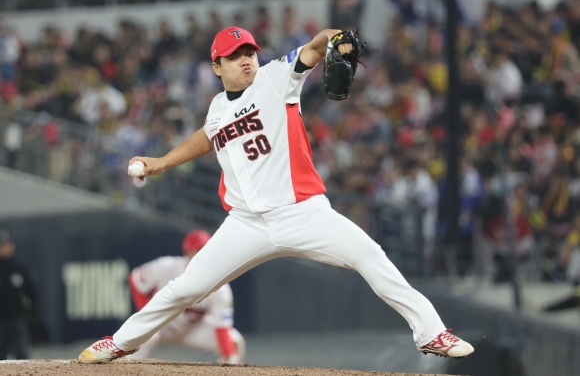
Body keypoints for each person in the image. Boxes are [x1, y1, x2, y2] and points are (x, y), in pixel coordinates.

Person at [79, 25, 474, 364]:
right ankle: (121, 343)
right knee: (184, 288)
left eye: (249, 51)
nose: (246, 60)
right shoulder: (217, 107)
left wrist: (336, 36)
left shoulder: (275, 78)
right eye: (235, 56)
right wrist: (163, 162)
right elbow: (209, 136)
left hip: (302, 212)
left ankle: (431, 333)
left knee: (371, 257)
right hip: (245, 224)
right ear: (216, 67)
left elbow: (316, 47)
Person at [125, 229, 245, 364]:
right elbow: (135, 278)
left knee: (235, 341)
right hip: (162, 324)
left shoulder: (220, 287)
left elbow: (222, 327)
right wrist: (146, 313)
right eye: (197, 249)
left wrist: (229, 356)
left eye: (205, 249)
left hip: (193, 329)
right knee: (143, 333)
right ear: (187, 252)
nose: (202, 254)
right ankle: (128, 370)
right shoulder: (167, 266)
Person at [0, 230, 36, 360]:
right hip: (0, 321)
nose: (5, 248)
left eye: (7, 244)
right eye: (2, 245)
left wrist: (32, 314)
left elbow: (31, 293)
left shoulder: (19, 268)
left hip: (17, 319)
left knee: (22, 355)